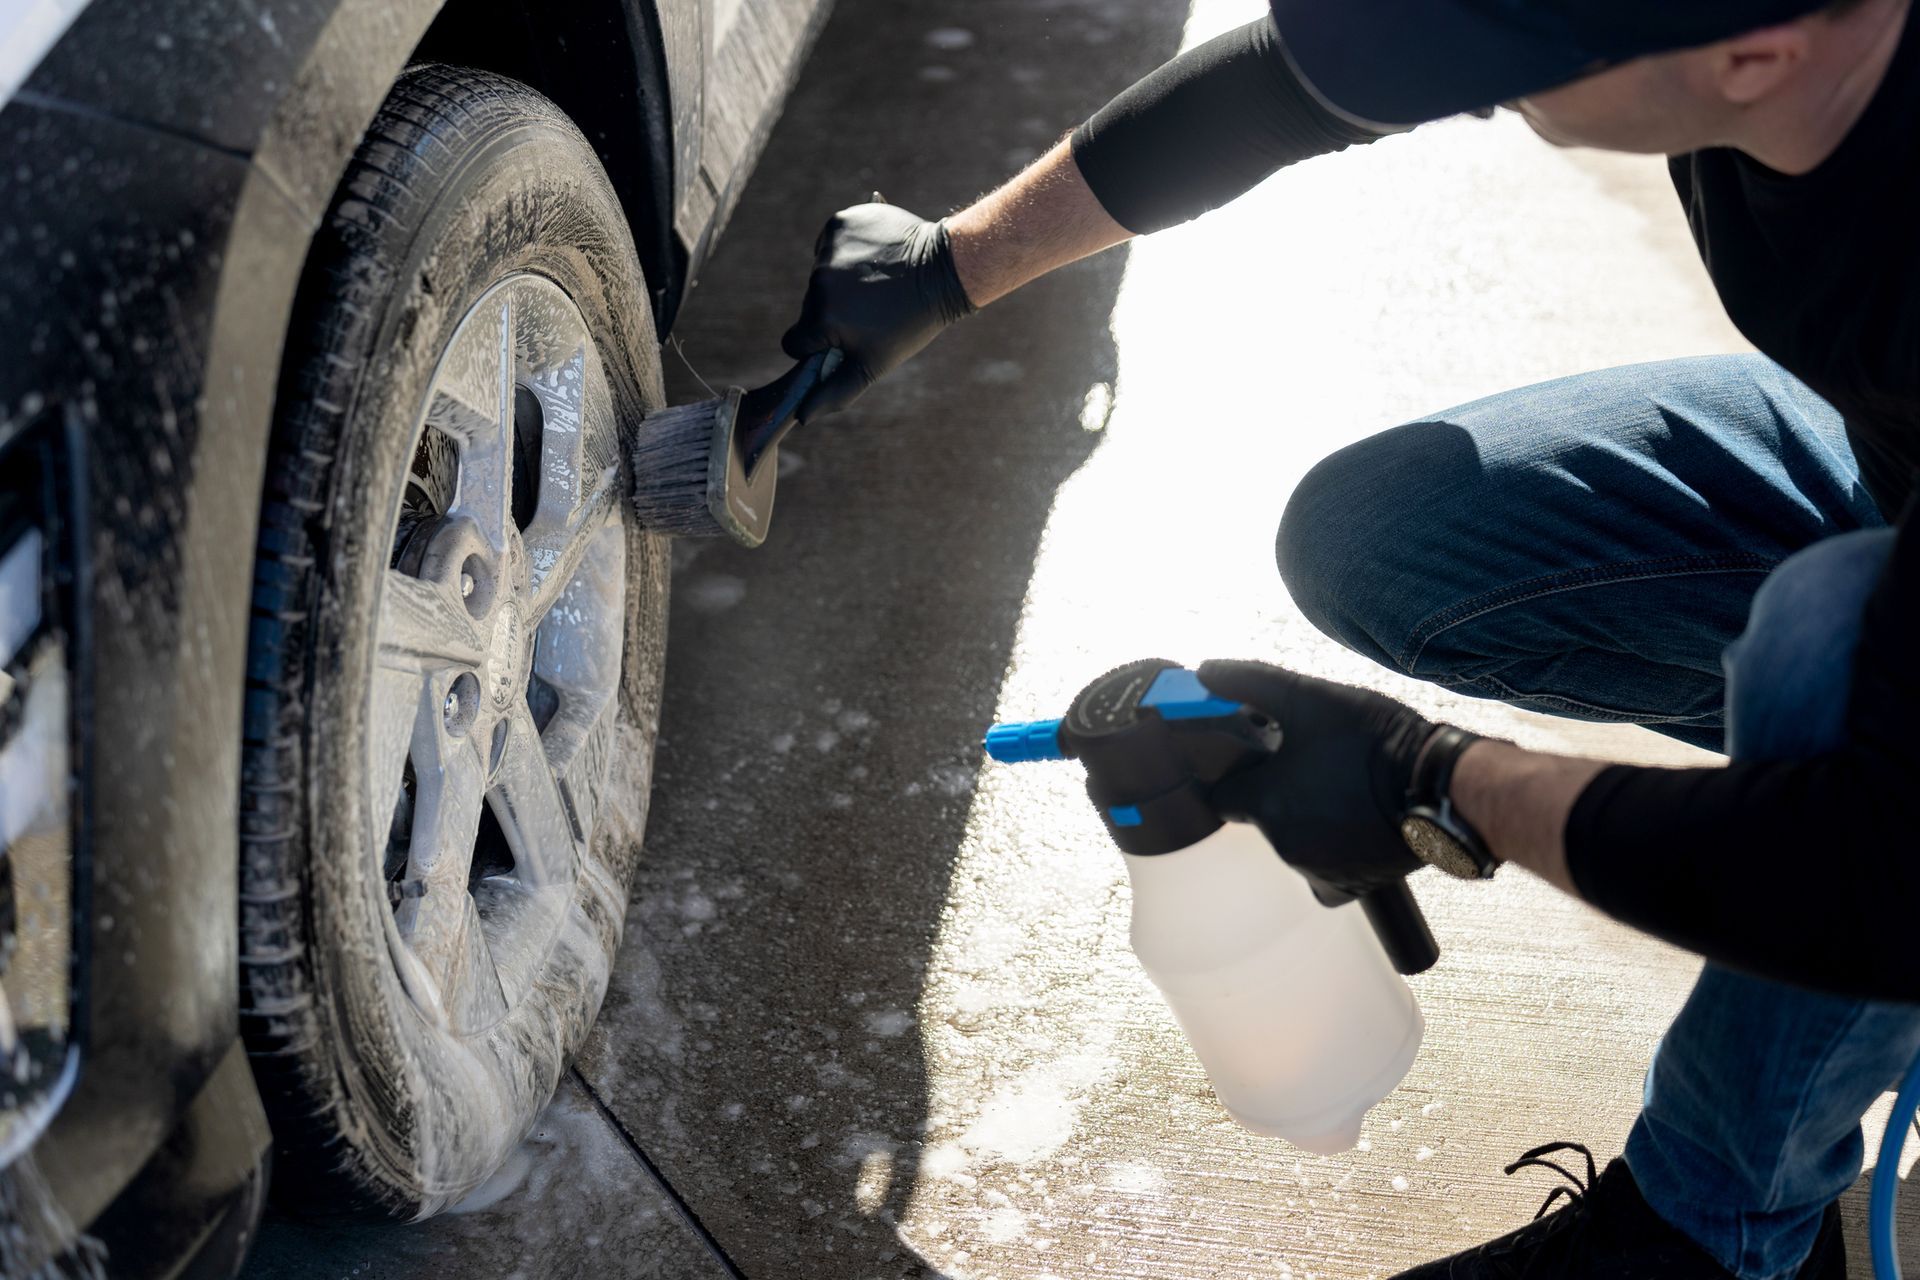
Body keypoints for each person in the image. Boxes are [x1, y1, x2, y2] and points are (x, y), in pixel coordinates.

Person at [778, 0, 1920, 1274]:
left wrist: (1441, 779)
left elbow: (1885, 866)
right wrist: (948, 266)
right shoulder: (1734, 29)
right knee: (1381, 539)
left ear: (1756, 58)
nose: (1473, 90)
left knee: (1834, 660)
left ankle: (1716, 1232)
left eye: (1513, 71)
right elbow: (1294, 83)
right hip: (1882, 459)